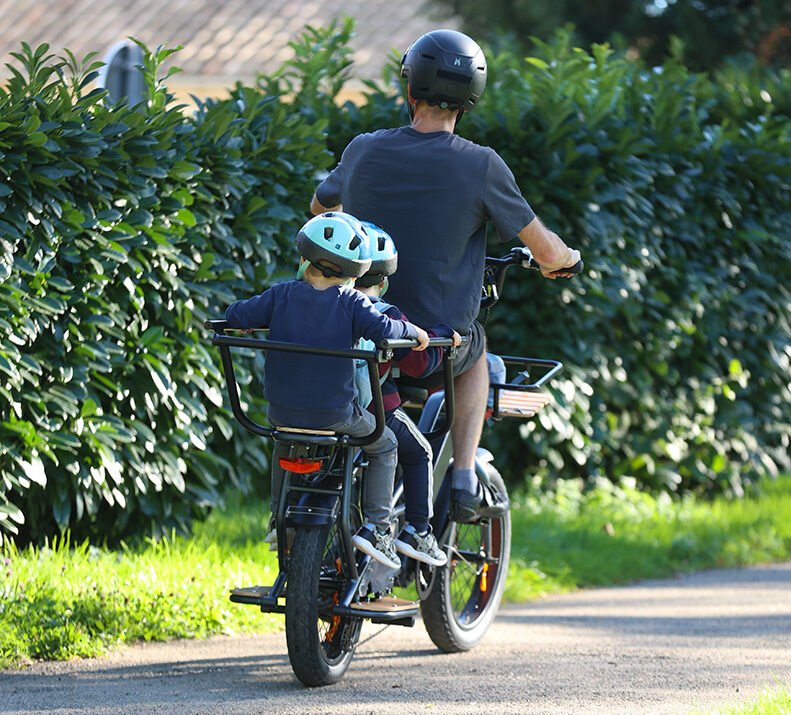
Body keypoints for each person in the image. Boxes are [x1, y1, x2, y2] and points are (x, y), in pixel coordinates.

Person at [309, 29, 581, 523]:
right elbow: (545, 249)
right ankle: (460, 478)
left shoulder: (364, 149)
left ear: (409, 89)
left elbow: (319, 210)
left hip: (351, 335)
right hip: (426, 350)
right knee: (475, 348)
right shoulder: (480, 165)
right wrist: (565, 259)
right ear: (470, 101)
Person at [224, 211, 429, 569]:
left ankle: (279, 518)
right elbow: (385, 330)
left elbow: (237, 315)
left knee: (284, 438)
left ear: (304, 261)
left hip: (281, 413)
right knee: (385, 444)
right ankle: (378, 529)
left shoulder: (280, 295)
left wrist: (241, 323)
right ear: (354, 276)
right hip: (338, 415)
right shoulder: (352, 302)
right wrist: (415, 334)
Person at [355, 221, 461, 567]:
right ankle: (418, 530)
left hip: (321, 406)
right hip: (374, 410)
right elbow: (418, 366)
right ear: (383, 282)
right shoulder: (386, 315)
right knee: (419, 451)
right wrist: (441, 339)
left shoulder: (323, 303)